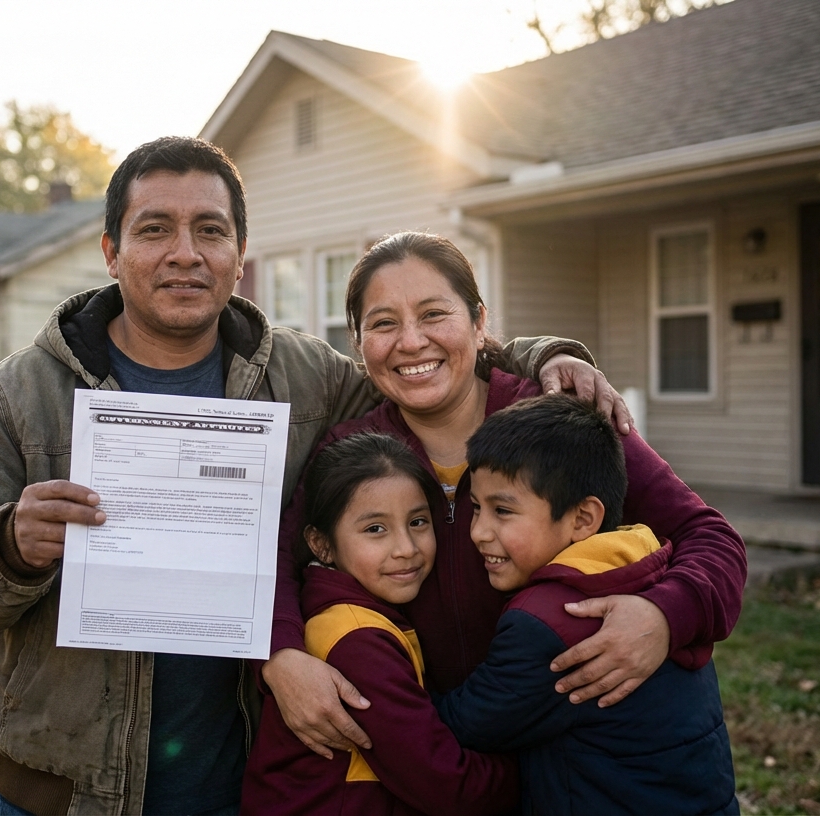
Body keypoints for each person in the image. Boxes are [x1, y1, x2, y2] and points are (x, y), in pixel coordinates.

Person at [0, 137, 620, 816]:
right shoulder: (17, 395)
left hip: (242, 780)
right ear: (111, 252)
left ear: (238, 253)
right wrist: (10, 544)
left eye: (210, 231)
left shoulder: (304, 377)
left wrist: (541, 355)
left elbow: (422, 359)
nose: (185, 253)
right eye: (155, 229)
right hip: (64, 793)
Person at [265, 232, 747, 761]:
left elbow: (710, 536)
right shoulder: (352, 450)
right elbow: (279, 563)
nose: (410, 341)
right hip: (436, 759)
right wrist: (280, 655)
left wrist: (663, 617)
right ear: (358, 344)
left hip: (577, 760)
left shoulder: (559, 418)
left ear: (477, 321)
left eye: (433, 314)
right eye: (383, 323)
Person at [433, 394, 738, 814]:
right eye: (475, 509)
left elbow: (461, 725)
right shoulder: (651, 564)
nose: (479, 532)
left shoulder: (548, 624)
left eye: (502, 511)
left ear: (582, 519)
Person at [242, 433, 517, 815]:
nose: (406, 547)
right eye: (375, 529)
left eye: (418, 522)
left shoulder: (361, 615)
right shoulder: (355, 639)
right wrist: (536, 770)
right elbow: (444, 783)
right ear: (321, 545)